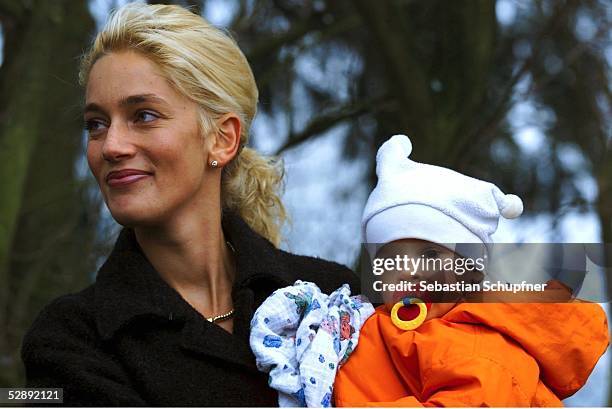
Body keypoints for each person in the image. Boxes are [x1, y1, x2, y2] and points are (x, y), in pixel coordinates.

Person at [20, 3, 358, 406]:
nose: (110, 145)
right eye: (96, 124)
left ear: (222, 139)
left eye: (143, 115)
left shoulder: (336, 293)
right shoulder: (70, 339)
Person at [332, 135, 609, 406]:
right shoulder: (372, 325)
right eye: (391, 260)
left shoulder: (476, 335)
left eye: (430, 255)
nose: (408, 271)